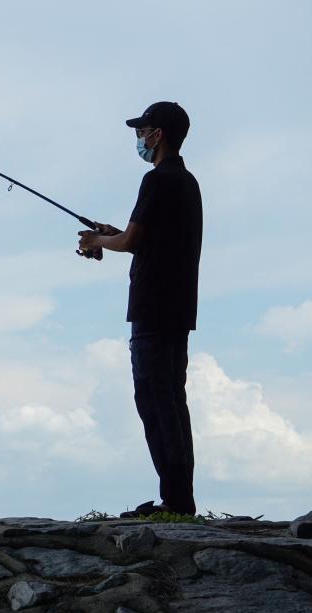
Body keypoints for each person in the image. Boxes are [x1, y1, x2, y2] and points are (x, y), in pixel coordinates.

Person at [77, 101, 203, 517]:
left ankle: (176, 502)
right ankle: (180, 497)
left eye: (142, 130)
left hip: (152, 305)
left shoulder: (156, 181)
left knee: (152, 398)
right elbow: (143, 238)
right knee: (171, 398)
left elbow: (130, 243)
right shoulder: (187, 183)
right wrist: (111, 235)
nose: (139, 138)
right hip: (180, 306)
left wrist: (97, 242)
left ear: (158, 134)